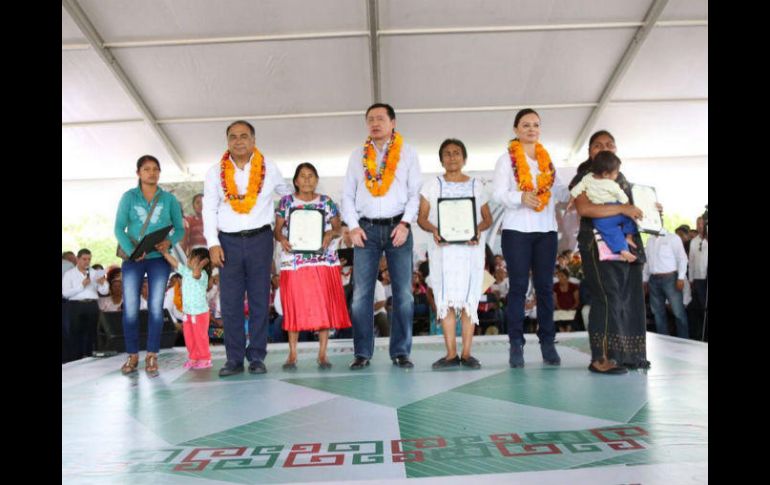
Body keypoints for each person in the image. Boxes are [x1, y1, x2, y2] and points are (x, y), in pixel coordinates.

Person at [204, 120, 292, 377]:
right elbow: (208, 209)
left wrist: (286, 223)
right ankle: (233, 359)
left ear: (253, 140)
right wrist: (212, 244)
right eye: (233, 137)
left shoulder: (270, 168)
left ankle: (256, 356)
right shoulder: (214, 172)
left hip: (260, 240)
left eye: (244, 136)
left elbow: (287, 195)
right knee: (230, 303)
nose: (239, 141)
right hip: (227, 242)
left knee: (259, 300)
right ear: (227, 141)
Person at [341, 103, 421, 369]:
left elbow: (414, 194)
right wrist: (353, 226)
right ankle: (362, 352)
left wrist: (406, 224)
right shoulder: (356, 156)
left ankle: (401, 351)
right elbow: (347, 196)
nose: (375, 123)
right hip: (366, 230)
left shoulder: (408, 153)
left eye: (380, 119)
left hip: (399, 227)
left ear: (393, 122)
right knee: (361, 294)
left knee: (403, 294)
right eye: (370, 119)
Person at [492, 108, 570, 368]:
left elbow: (559, 190)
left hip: (546, 231)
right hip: (516, 232)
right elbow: (498, 194)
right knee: (517, 288)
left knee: (545, 287)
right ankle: (516, 343)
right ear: (516, 129)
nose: (531, 129)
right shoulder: (506, 160)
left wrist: (577, 191)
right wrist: (520, 197)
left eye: (535, 124)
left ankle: (548, 342)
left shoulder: (546, 161)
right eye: (525, 125)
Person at [571, 130, 650, 374]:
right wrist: (624, 209)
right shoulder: (583, 178)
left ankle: (629, 356)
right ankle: (601, 358)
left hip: (630, 245)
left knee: (631, 300)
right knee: (607, 299)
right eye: (598, 145)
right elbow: (585, 209)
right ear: (590, 152)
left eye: (609, 144)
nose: (604, 148)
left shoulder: (623, 179)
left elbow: (636, 211)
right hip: (597, 248)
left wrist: (649, 209)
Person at [417, 138, 493, 370]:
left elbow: (487, 218)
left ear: (464, 158)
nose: (452, 157)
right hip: (443, 251)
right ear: (441, 159)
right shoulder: (432, 185)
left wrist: (477, 230)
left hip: (470, 250)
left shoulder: (476, 186)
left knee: (470, 301)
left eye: (457, 152)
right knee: (446, 300)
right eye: (447, 153)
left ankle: (467, 353)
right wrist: (434, 230)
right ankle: (451, 354)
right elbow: (422, 218)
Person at [274, 162, 352, 370]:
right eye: (303, 176)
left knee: (323, 305)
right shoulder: (286, 202)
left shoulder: (327, 202)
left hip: (322, 260)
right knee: (294, 305)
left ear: (317, 180)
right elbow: (277, 230)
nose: (307, 179)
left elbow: (337, 227)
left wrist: (330, 233)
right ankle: (292, 354)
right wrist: (281, 239)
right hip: (295, 262)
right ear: (296, 181)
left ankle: (323, 354)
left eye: (311, 175)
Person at [114, 155, 184, 377]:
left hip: (159, 260)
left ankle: (152, 355)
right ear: (138, 173)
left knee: (156, 308)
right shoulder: (129, 197)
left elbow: (179, 229)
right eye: (146, 169)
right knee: (131, 309)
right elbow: (118, 228)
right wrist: (133, 252)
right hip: (133, 260)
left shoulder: (168, 199)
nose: (151, 173)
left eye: (155, 169)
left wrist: (169, 242)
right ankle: (132, 355)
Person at [570, 151, 639, 262]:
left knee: (611, 232)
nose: (617, 175)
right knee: (629, 218)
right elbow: (624, 199)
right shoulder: (612, 185)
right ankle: (629, 236)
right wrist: (627, 207)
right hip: (614, 209)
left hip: (600, 217)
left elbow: (577, 189)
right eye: (616, 173)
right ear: (606, 174)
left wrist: (571, 199)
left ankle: (623, 250)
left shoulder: (587, 178)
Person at [161, 247, 213, 369]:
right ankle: (193, 357)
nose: (188, 260)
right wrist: (165, 253)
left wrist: (200, 265)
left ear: (202, 262)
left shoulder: (202, 275)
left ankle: (205, 359)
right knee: (189, 337)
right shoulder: (185, 272)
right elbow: (175, 263)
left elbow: (196, 274)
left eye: (191, 258)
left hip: (199, 314)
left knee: (200, 337)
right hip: (188, 313)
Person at [62, 249, 108, 360]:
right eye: (84, 259)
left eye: (89, 259)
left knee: (92, 333)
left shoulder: (95, 273)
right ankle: (75, 359)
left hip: (91, 305)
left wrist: (103, 284)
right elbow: (65, 293)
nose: (87, 262)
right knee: (76, 333)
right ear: (78, 259)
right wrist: (81, 286)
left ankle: (90, 358)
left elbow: (104, 292)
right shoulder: (69, 274)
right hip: (76, 305)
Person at [643, 228, 689, 338]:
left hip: (671, 279)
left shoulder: (673, 238)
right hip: (653, 280)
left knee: (678, 312)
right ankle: (663, 341)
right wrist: (644, 279)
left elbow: (682, 258)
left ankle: (684, 340)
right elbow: (646, 262)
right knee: (658, 314)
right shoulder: (650, 240)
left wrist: (681, 278)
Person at [688, 216, 708, 340]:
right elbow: (691, 261)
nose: (699, 226)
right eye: (698, 223)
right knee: (701, 306)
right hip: (698, 278)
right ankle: (702, 335)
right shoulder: (694, 241)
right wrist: (691, 278)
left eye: (702, 223)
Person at [553, 268, 580, 332]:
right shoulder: (555, 286)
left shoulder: (574, 286)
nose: (560, 278)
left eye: (562, 276)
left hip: (572, 310)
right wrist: (559, 309)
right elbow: (555, 302)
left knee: (570, 323)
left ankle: (569, 329)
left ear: (567, 277)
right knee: (559, 322)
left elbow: (577, 301)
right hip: (559, 310)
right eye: (558, 276)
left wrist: (571, 309)